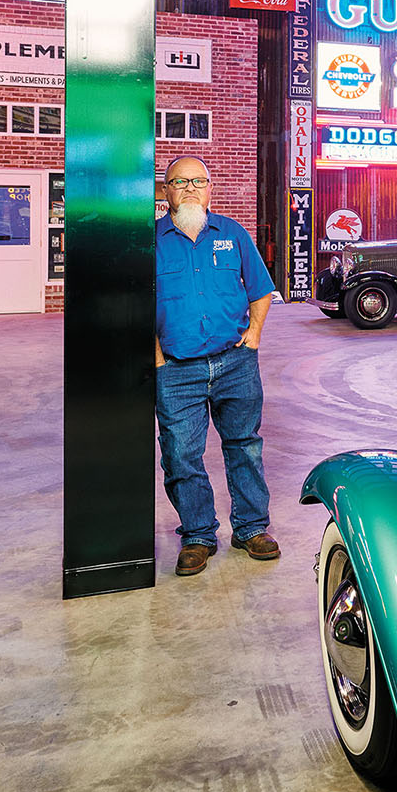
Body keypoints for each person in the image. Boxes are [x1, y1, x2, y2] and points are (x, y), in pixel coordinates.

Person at [153, 156, 279, 577]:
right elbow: (134, 304)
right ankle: (198, 535)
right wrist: (155, 352)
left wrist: (255, 335)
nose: (189, 188)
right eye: (179, 181)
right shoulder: (151, 240)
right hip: (177, 370)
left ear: (210, 189)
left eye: (198, 181)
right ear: (164, 190)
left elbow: (261, 290)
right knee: (181, 455)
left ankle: (250, 528)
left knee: (244, 445)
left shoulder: (233, 234)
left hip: (235, 363)